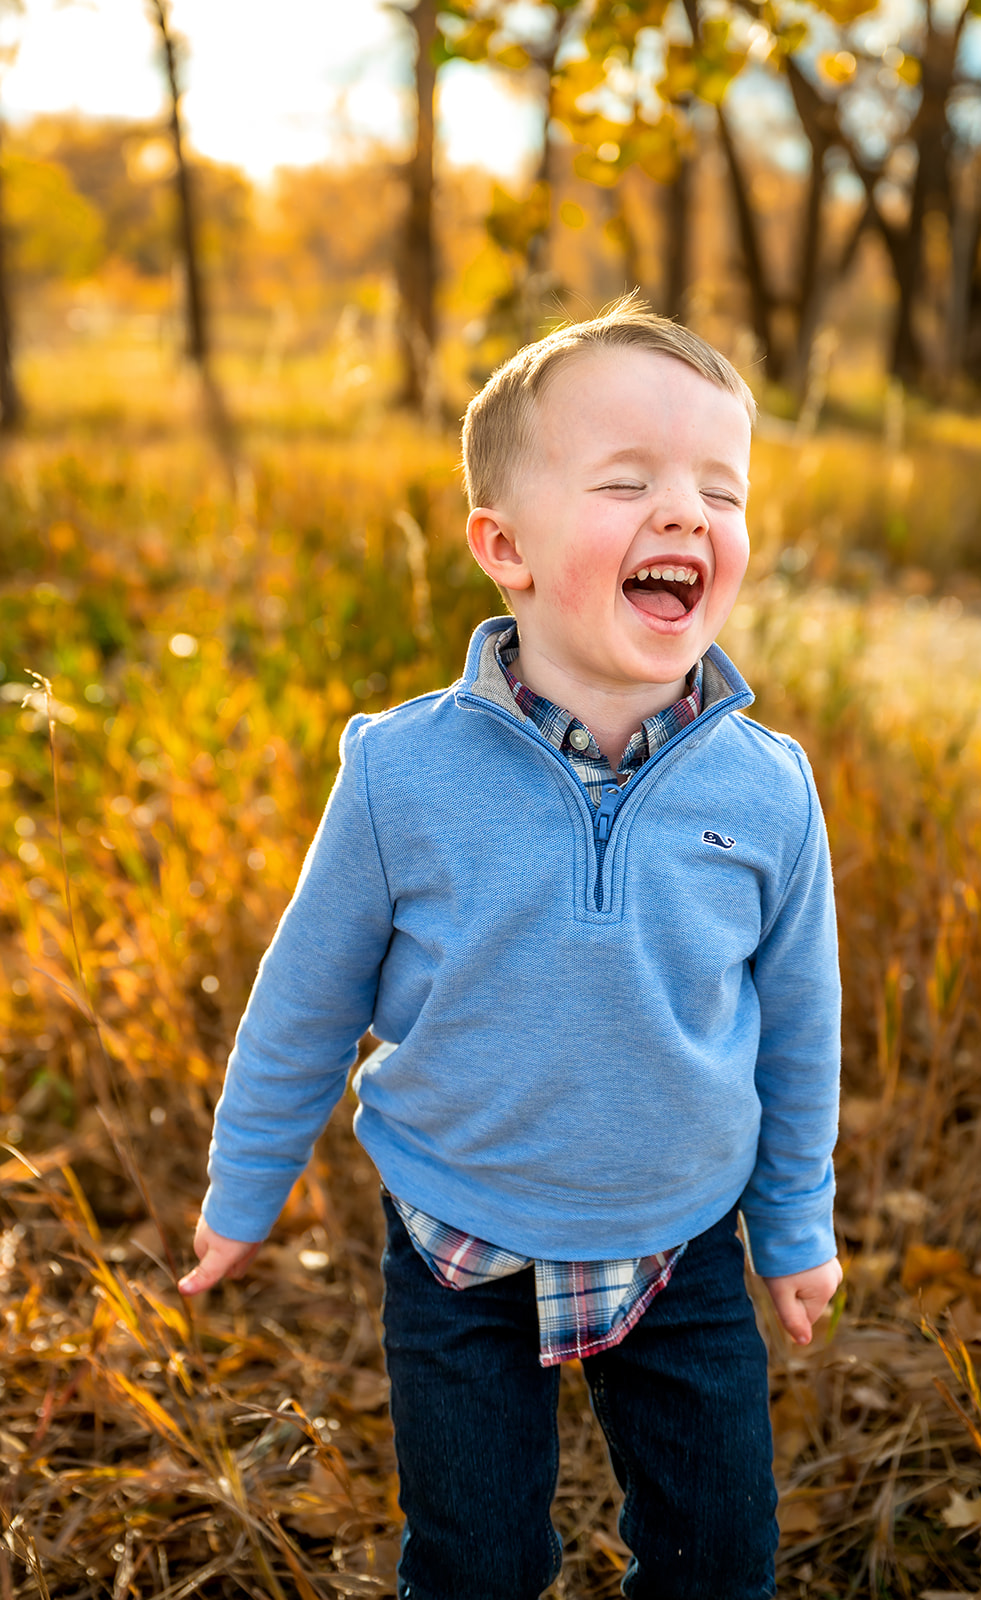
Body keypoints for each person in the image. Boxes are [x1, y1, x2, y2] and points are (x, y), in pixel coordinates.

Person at [178, 301, 843, 1600]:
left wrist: (794, 1220)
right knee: (474, 1563)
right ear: (504, 547)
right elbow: (305, 1000)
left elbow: (799, 1025)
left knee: (718, 1559)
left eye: (720, 489)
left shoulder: (769, 789)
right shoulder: (402, 772)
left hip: (682, 1240)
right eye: (626, 481)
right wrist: (243, 1187)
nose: (684, 512)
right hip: (457, 1238)